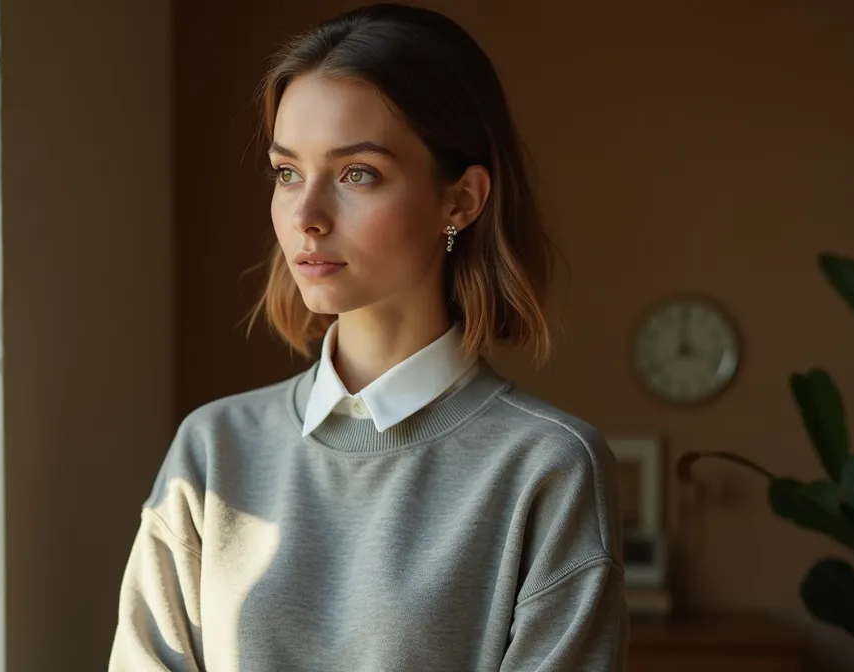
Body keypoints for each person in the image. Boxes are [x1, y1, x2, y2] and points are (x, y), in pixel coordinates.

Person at [109, 4, 626, 670]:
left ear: (461, 201)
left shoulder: (547, 468)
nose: (306, 216)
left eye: (358, 174)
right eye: (287, 172)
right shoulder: (213, 451)